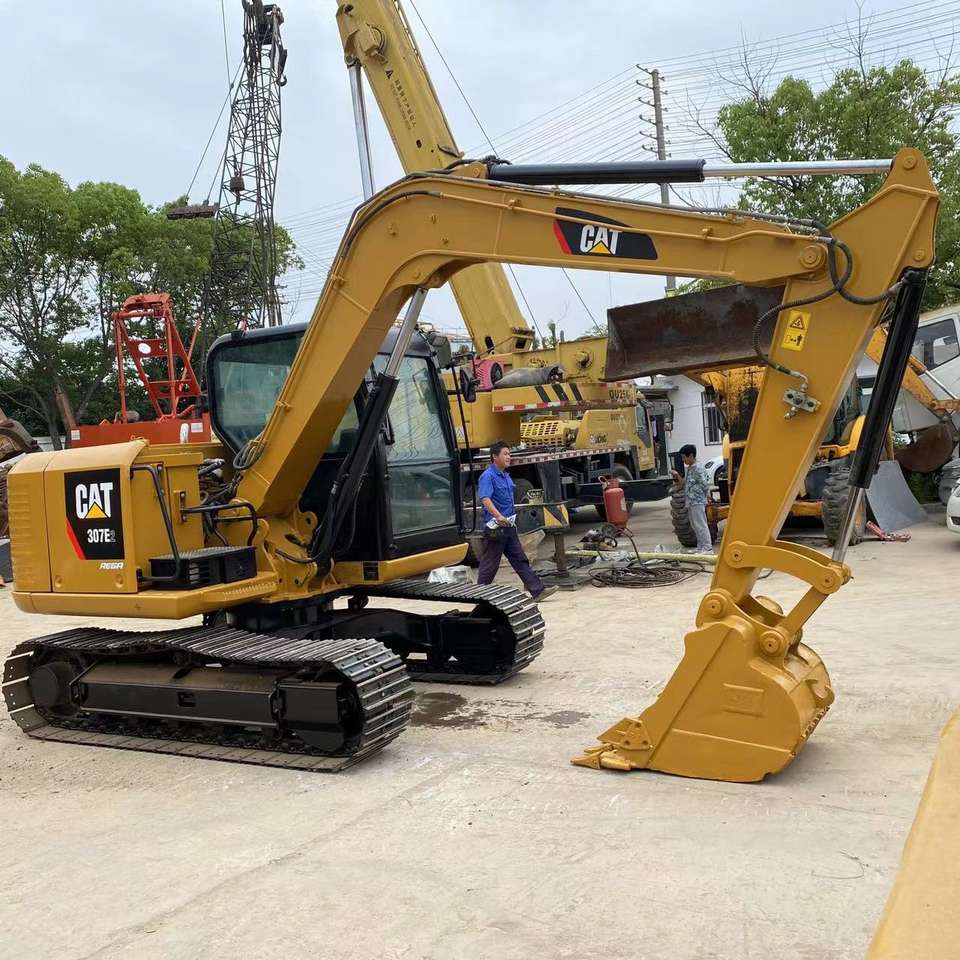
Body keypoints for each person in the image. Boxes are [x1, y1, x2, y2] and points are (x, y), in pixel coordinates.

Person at [476, 441, 558, 601]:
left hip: (509, 526)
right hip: (496, 528)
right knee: (490, 565)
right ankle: (480, 595)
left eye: (509, 454)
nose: (509, 457)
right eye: (505, 454)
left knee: (520, 559)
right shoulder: (488, 476)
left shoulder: (506, 476)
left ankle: (538, 591)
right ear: (494, 457)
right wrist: (498, 516)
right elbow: (485, 499)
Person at [672, 443, 713, 553]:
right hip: (691, 501)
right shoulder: (690, 468)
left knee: (701, 524)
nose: (683, 460)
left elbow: (705, 485)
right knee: (695, 525)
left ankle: (707, 547)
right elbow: (684, 484)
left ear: (690, 455)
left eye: (684, 457)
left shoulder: (698, 468)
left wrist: (706, 497)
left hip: (697, 501)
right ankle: (701, 547)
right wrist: (677, 476)